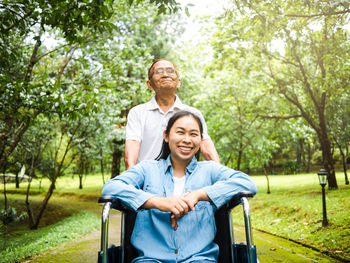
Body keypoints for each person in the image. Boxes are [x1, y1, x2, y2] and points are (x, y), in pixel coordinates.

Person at [102, 110, 257, 263]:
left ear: (201, 140)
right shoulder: (147, 169)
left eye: (194, 134)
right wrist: (158, 202)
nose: (187, 140)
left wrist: (199, 195)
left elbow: (247, 183)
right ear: (166, 136)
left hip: (199, 258)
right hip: (151, 259)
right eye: (180, 132)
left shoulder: (209, 170)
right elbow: (111, 187)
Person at [124, 59, 220, 170]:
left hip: (184, 179)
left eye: (170, 71)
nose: (165, 74)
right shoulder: (138, 113)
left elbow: (205, 144)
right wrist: (131, 175)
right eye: (159, 71)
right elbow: (132, 145)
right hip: (147, 180)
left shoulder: (193, 114)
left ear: (178, 82)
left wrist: (221, 173)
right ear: (149, 84)